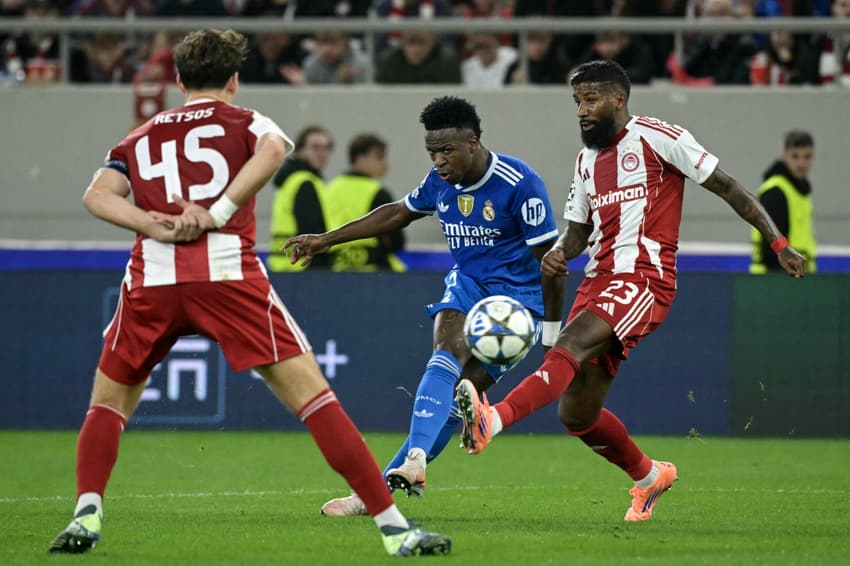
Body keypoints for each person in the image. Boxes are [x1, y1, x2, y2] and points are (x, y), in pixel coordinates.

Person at [47, 28, 451, 558]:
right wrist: (215, 213)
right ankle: (395, 530)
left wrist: (152, 222)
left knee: (108, 404)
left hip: (153, 281)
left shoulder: (139, 136)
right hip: (226, 277)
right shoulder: (245, 121)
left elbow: (96, 195)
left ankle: (86, 513)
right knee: (314, 399)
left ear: (177, 79)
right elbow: (273, 150)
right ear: (234, 79)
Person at [455, 59, 806, 523]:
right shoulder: (585, 161)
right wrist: (560, 252)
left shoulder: (659, 137)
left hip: (644, 278)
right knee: (576, 414)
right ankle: (648, 477)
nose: (582, 110)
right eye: (577, 101)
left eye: (591, 99)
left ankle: (492, 419)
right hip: (598, 280)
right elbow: (578, 234)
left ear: (619, 99)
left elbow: (729, 188)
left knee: (570, 345)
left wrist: (777, 242)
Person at [284, 96, 564, 516]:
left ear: (473, 143)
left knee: (456, 402)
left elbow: (553, 265)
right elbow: (396, 213)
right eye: (432, 151)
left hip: (516, 306)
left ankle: (378, 490)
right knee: (444, 351)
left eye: (446, 150)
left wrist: (552, 336)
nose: (438, 160)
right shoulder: (440, 182)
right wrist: (325, 239)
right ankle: (407, 468)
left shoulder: (520, 183)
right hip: (468, 285)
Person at [324, 133, 408, 271]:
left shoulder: (328, 189)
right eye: (379, 156)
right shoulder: (377, 192)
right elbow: (396, 241)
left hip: (334, 268)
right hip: (374, 270)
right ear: (359, 157)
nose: (385, 163)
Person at [267, 125, 334, 271]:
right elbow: (313, 230)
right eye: (315, 147)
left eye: (326, 148)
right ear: (300, 150)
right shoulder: (305, 183)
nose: (322, 153)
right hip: (303, 267)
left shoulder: (291, 180)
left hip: (282, 265)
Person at [751, 130, 817, 273]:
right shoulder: (775, 193)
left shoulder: (801, 192)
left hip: (795, 274)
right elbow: (771, 249)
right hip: (776, 278)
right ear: (784, 156)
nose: (801, 163)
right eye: (795, 156)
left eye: (807, 157)